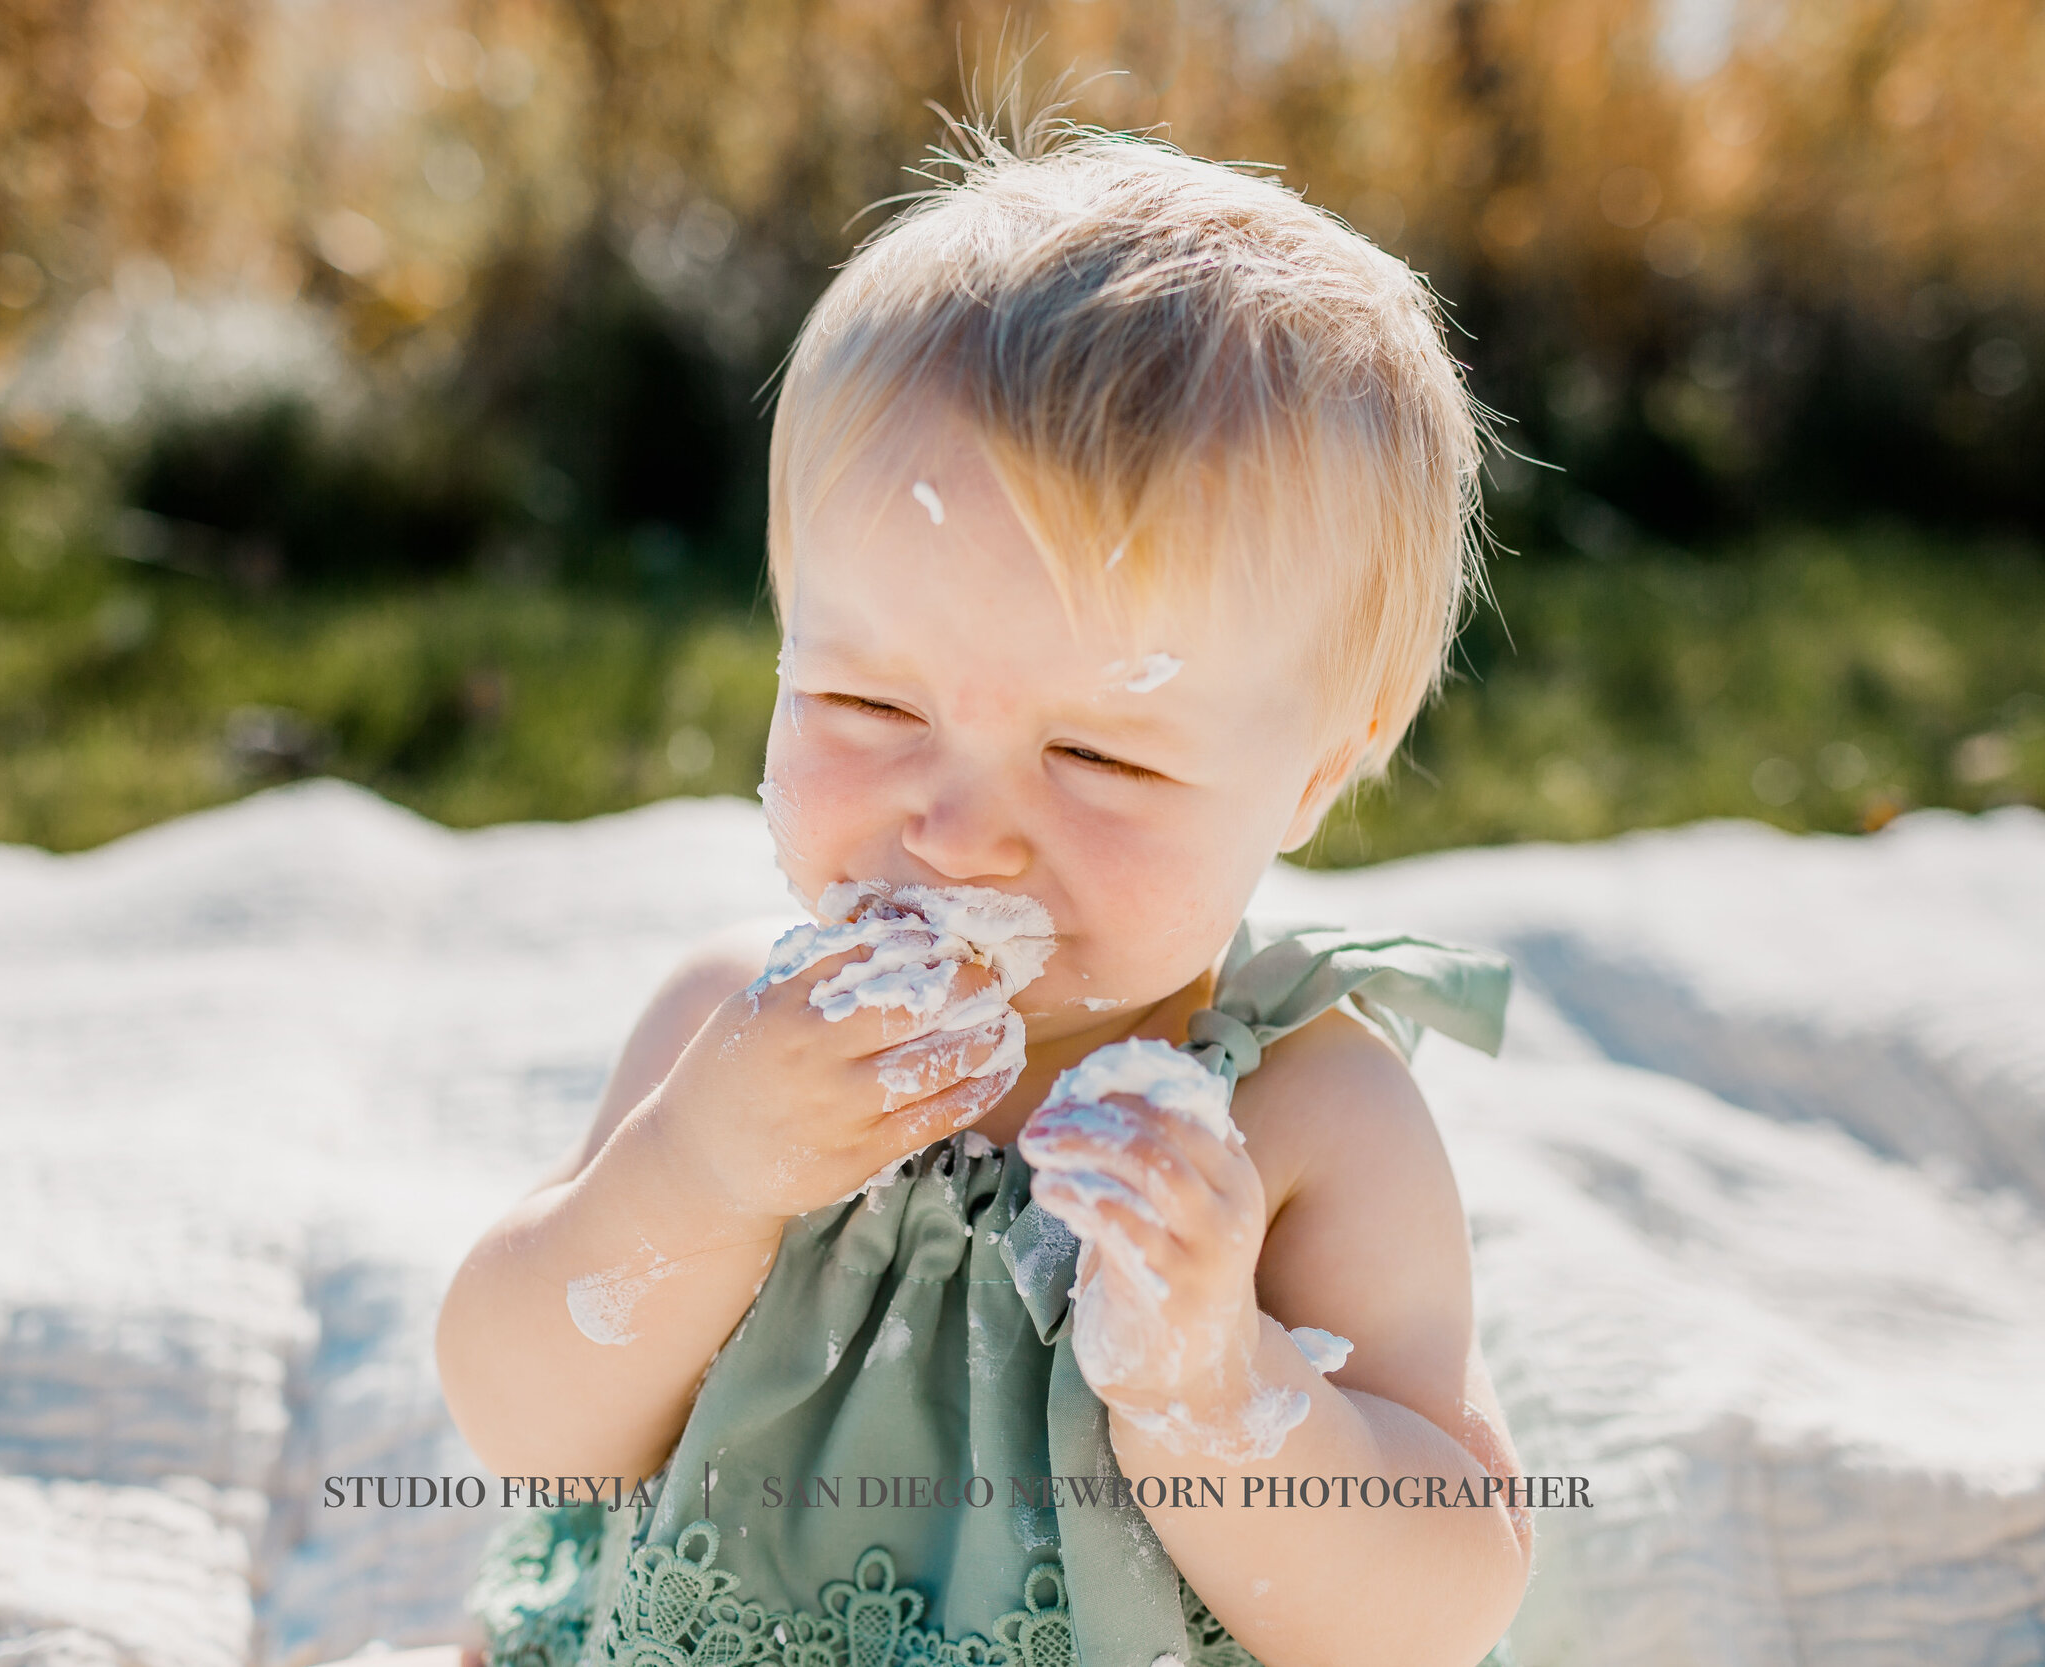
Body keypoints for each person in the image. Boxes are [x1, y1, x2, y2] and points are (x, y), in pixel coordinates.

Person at [436, 112, 1533, 1667]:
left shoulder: (1308, 1126)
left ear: (1313, 772)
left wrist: (1217, 1387)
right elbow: (531, 1428)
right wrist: (693, 1177)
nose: (957, 836)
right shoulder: (728, 1031)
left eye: (1098, 754)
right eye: (868, 709)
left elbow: (1437, 1604)